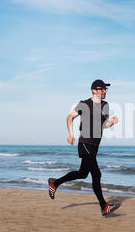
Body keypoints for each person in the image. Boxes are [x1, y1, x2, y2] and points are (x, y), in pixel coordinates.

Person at [48, 79, 119, 216]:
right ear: (94, 90)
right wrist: (71, 134)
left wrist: (112, 123)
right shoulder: (84, 104)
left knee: (83, 173)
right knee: (96, 174)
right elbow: (70, 117)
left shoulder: (105, 105)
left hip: (95, 145)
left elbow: (103, 125)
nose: (104, 91)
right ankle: (104, 206)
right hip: (85, 143)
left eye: (105, 89)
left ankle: (55, 183)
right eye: (102, 89)